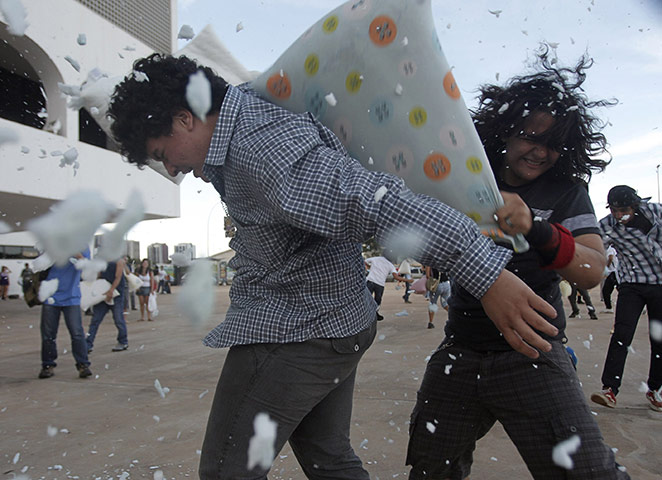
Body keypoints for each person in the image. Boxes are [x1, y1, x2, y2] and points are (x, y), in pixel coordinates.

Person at [108, 53, 559, 480]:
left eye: (164, 151)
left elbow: (374, 202)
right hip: (340, 318)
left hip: (296, 327)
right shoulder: (246, 109)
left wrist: (483, 272)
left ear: (185, 118)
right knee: (328, 458)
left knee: (227, 470)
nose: (171, 168)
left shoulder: (259, 148)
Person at [407, 47, 630, 479]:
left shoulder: (567, 191)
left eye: (552, 144)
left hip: (533, 353)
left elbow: (593, 269)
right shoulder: (470, 175)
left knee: (588, 472)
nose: (539, 152)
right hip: (460, 352)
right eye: (530, 137)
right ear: (505, 131)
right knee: (430, 470)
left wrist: (538, 230)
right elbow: (422, 239)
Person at [590, 185, 662, 412]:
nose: (620, 216)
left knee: (658, 338)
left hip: (659, 284)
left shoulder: (655, 212)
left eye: (624, 211)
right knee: (622, 334)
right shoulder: (607, 225)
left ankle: (655, 388)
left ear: (636, 205)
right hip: (631, 284)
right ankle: (610, 389)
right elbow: (591, 243)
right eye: (615, 210)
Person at [38, 250, 92, 379]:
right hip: (50, 295)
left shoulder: (82, 246)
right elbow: (40, 265)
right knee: (48, 334)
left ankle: (83, 364)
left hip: (72, 296)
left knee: (77, 333)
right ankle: (48, 365)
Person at [86, 258, 129, 352]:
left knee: (118, 319)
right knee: (95, 320)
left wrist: (111, 290)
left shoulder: (119, 260)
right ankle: (88, 344)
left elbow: (118, 277)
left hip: (116, 293)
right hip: (103, 292)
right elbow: (99, 275)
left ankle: (123, 341)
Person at [365, 255, 411, 320]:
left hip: (370, 281)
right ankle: (375, 314)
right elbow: (396, 277)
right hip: (380, 284)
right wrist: (408, 280)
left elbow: (364, 261)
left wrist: (369, 266)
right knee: (378, 300)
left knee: (366, 298)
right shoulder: (390, 265)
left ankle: (364, 313)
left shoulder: (376, 259)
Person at [424, 265, 451, 329]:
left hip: (436, 285)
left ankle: (431, 322)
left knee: (433, 303)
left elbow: (427, 275)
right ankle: (454, 316)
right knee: (445, 303)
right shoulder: (444, 260)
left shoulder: (430, 262)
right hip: (447, 284)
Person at [601, 243, 619, 313]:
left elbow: (610, 257)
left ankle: (609, 308)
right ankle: (608, 307)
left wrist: (607, 267)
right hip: (614, 272)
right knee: (619, 289)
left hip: (612, 272)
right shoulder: (610, 249)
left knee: (606, 290)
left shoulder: (610, 249)